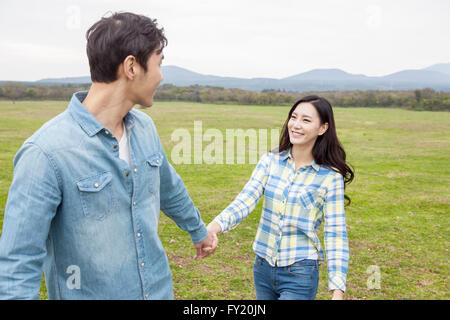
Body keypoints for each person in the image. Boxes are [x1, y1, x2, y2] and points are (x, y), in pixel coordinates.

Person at [0, 12, 217, 300]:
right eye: (158, 63)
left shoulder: (145, 129)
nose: (161, 76)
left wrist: (198, 231)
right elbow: (18, 265)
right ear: (131, 66)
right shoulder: (45, 153)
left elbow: (169, 187)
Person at [208, 95, 354, 300]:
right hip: (263, 267)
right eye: (294, 117)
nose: (295, 124)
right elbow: (246, 199)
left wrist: (337, 290)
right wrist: (213, 228)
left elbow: (335, 232)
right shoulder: (270, 161)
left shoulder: (330, 177)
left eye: (306, 120)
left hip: (300, 272)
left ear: (322, 128)